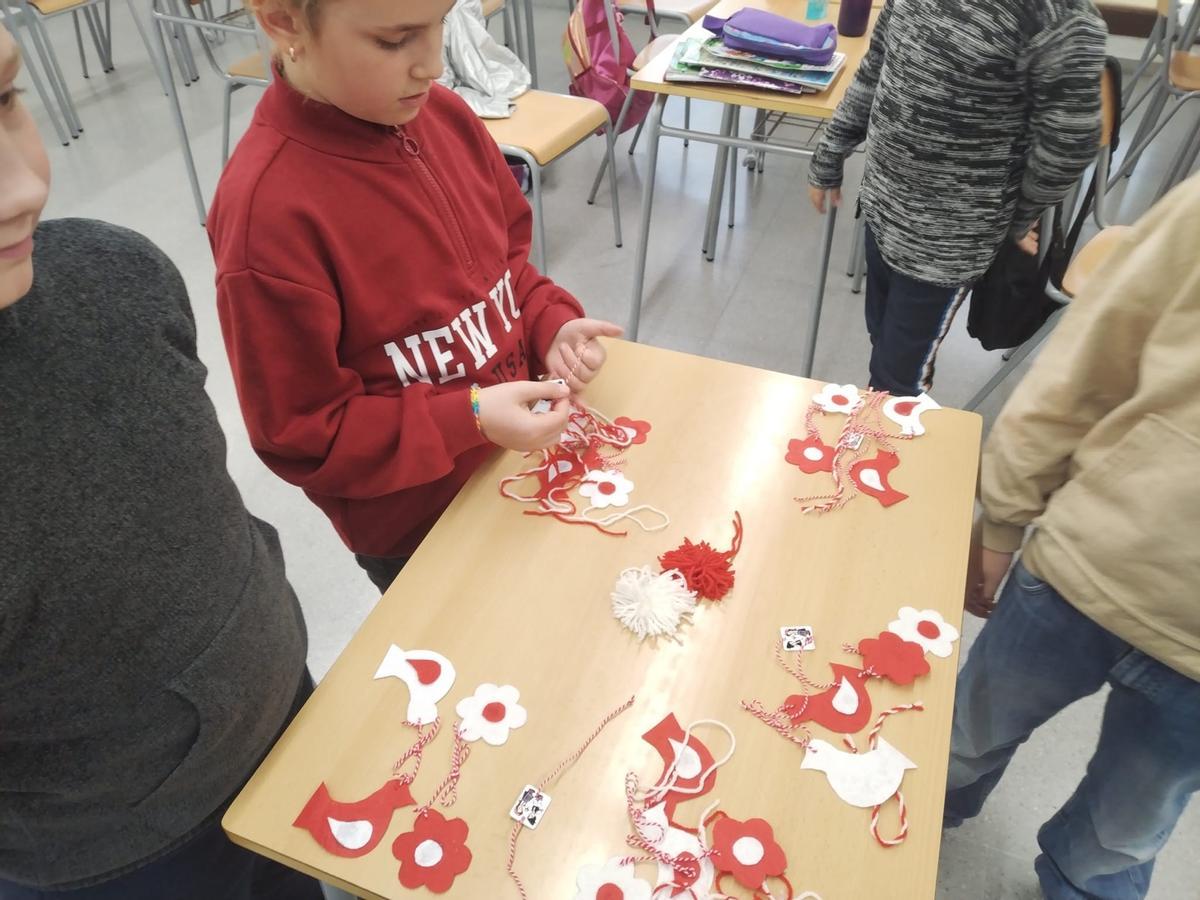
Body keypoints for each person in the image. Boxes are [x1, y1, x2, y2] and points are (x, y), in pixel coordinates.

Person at [0, 25, 322, 900]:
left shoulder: (113, 273)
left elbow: (198, 501)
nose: (24, 185)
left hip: (289, 724)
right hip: (123, 861)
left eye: (3, 99)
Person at [207, 0, 621, 594]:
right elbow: (303, 432)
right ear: (284, 22)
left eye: (441, 25)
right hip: (421, 529)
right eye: (395, 40)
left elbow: (505, 268)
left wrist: (546, 323)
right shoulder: (268, 218)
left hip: (524, 463)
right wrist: (469, 417)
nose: (432, 64)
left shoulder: (444, 115)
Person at [945, 175, 1200, 899]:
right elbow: (1084, 369)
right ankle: (910, 821)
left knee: (1122, 832)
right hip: (1085, 566)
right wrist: (1003, 518)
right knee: (962, 741)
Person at [807, 0, 1107, 396]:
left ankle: (893, 430)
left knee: (897, 378)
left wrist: (1020, 214)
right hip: (883, 204)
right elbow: (878, 63)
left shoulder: (1057, 17)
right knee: (883, 337)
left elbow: (1069, 142)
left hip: (948, 242)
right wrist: (831, 149)